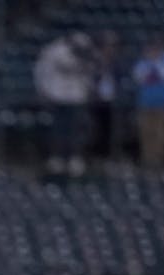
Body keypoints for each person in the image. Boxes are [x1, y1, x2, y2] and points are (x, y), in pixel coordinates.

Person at [34, 32, 93, 175]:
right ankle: (57, 159)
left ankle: (74, 159)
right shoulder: (54, 51)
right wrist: (43, 91)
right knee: (58, 129)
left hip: (76, 97)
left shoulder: (87, 53)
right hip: (57, 96)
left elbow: (88, 74)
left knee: (75, 130)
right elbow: (42, 72)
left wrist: (87, 90)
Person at [132, 34, 164, 168]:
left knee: (160, 133)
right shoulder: (142, 62)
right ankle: (147, 159)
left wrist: (156, 63)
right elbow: (138, 78)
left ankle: (159, 160)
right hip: (145, 102)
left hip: (162, 103)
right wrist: (149, 63)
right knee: (146, 132)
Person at [88, 31, 122, 161]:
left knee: (109, 130)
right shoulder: (95, 61)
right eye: (107, 46)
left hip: (111, 100)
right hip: (97, 100)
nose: (109, 49)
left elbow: (119, 78)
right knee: (96, 129)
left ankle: (107, 156)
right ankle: (95, 155)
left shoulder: (116, 63)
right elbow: (92, 78)